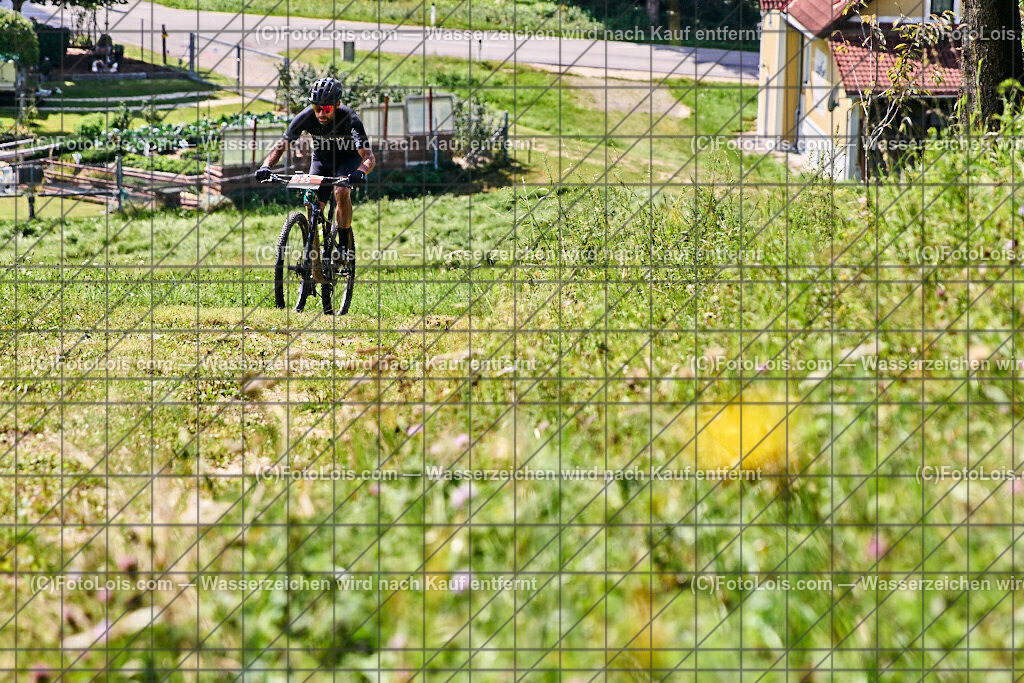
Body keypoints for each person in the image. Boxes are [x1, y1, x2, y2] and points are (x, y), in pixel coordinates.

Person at [255, 77, 375, 283]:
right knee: (310, 201)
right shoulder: (305, 117)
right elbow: (280, 147)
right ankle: (315, 257)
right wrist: (266, 166)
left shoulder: (350, 119)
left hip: (347, 161)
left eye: (326, 108)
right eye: (317, 107)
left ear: (337, 105)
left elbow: (368, 157)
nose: (321, 113)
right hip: (322, 160)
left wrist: (361, 172)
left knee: (341, 191)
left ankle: (344, 244)